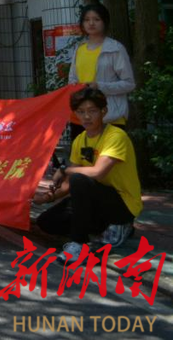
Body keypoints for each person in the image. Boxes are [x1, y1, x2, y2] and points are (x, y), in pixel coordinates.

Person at [34, 88, 142, 261]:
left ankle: (79, 243)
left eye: (92, 111)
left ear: (103, 111)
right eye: (81, 112)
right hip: (95, 201)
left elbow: (97, 172)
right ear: (75, 114)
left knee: (79, 179)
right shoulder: (80, 139)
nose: (86, 117)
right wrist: (46, 198)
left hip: (121, 203)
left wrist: (64, 169)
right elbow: (69, 183)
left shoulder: (116, 136)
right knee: (46, 222)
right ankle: (103, 228)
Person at [66, 3, 134, 138]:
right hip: (81, 119)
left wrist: (100, 87)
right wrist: (75, 87)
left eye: (96, 19)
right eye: (87, 20)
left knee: (108, 152)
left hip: (109, 117)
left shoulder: (115, 48)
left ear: (105, 22)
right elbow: (72, 80)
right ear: (82, 24)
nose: (91, 23)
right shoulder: (80, 49)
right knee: (81, 152)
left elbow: (129, 84)